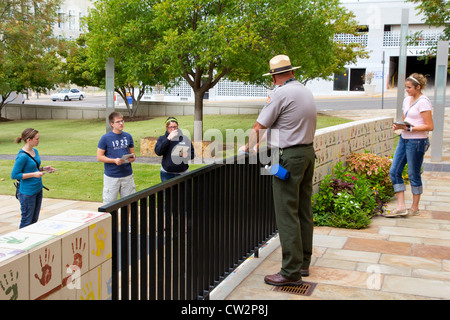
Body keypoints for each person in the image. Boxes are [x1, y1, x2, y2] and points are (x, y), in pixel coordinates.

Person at [241, 55, 317, 286]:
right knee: (303, 209)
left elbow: (259, 126)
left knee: (286, 213)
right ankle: (303, 262)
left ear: (274, 76)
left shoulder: (280, 94)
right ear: (292, 72)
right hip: (306, 154)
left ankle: (290, 272)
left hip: (287, 158)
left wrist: (248, 146)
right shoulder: (304, 90)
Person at [386, 73, 433, 218]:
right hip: (404, 139)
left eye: (409, 87)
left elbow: (429, 126)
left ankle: (415, 207)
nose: (406, 90)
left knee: (413, 173)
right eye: (406, 87)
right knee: (394, 171)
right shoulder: (407, 100)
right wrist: (399, 126)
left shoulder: (424, 102)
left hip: (417, 141)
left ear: (418, 87)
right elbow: (406, 120)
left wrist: (410, 129)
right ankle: (401, 206)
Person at [11, 128, 56, 228]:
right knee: (27, 220)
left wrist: (44, 168)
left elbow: (32, 168)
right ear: (28, 140)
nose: (38, 141)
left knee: (34, 220)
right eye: (37, 139)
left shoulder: (34, 151)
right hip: (27, 193)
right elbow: (14, 175)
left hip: (38, 189)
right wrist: (34, 175)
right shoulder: (22, 156)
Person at [97, 112, 136, 204]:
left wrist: (132, 158)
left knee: (129, 203)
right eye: (118, 122)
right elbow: (99, 157)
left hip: (127, 175)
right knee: (109, 204)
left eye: (122, 121)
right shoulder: (105, 138)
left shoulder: (128, 136)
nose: (121, 123)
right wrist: (114, 161)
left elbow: (132, 153)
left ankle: (126, 219)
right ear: (112, 124)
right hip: (112, 177)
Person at [154, 117, 195, 182]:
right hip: (167, 174)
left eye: (175, 127)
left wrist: (187, 155)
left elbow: (192, 154)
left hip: (183, 173)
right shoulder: (162, 138)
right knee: (168, 192)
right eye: (171, 127)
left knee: (184, 192)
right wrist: (168, 139)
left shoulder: (184, 138)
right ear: (166, 127)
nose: (173, 129)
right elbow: (158, 152)